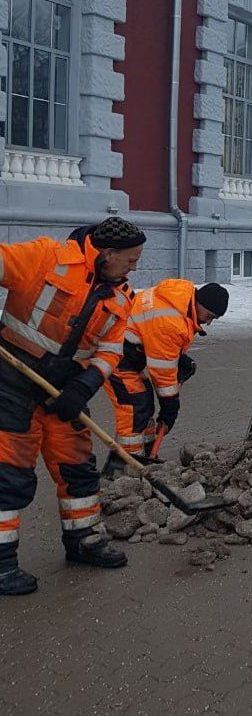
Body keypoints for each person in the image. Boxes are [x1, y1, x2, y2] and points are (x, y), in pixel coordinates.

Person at [0, 218, 146, 595]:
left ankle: (83, 540)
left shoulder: (119, 298)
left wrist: (84, 386)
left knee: (78, 466)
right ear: (107, 253)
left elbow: (111, 350)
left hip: (62, 390)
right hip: (12, 380)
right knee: (9, 473)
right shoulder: (47, 257)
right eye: (130, 260)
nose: (134, 267)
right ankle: (1, 563)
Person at [101, 280, 229, 475]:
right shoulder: (171, 322)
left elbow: (161, 347)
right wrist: (170, 408)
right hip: (115, 352)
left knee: (144, 404)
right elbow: (163, 375)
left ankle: (147, 456)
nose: (208, 322)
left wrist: (179, 358)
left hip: (130, 349)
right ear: (199, 303)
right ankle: (128, 470)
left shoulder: (180, 297)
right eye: (210, 316)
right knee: (134, 407)